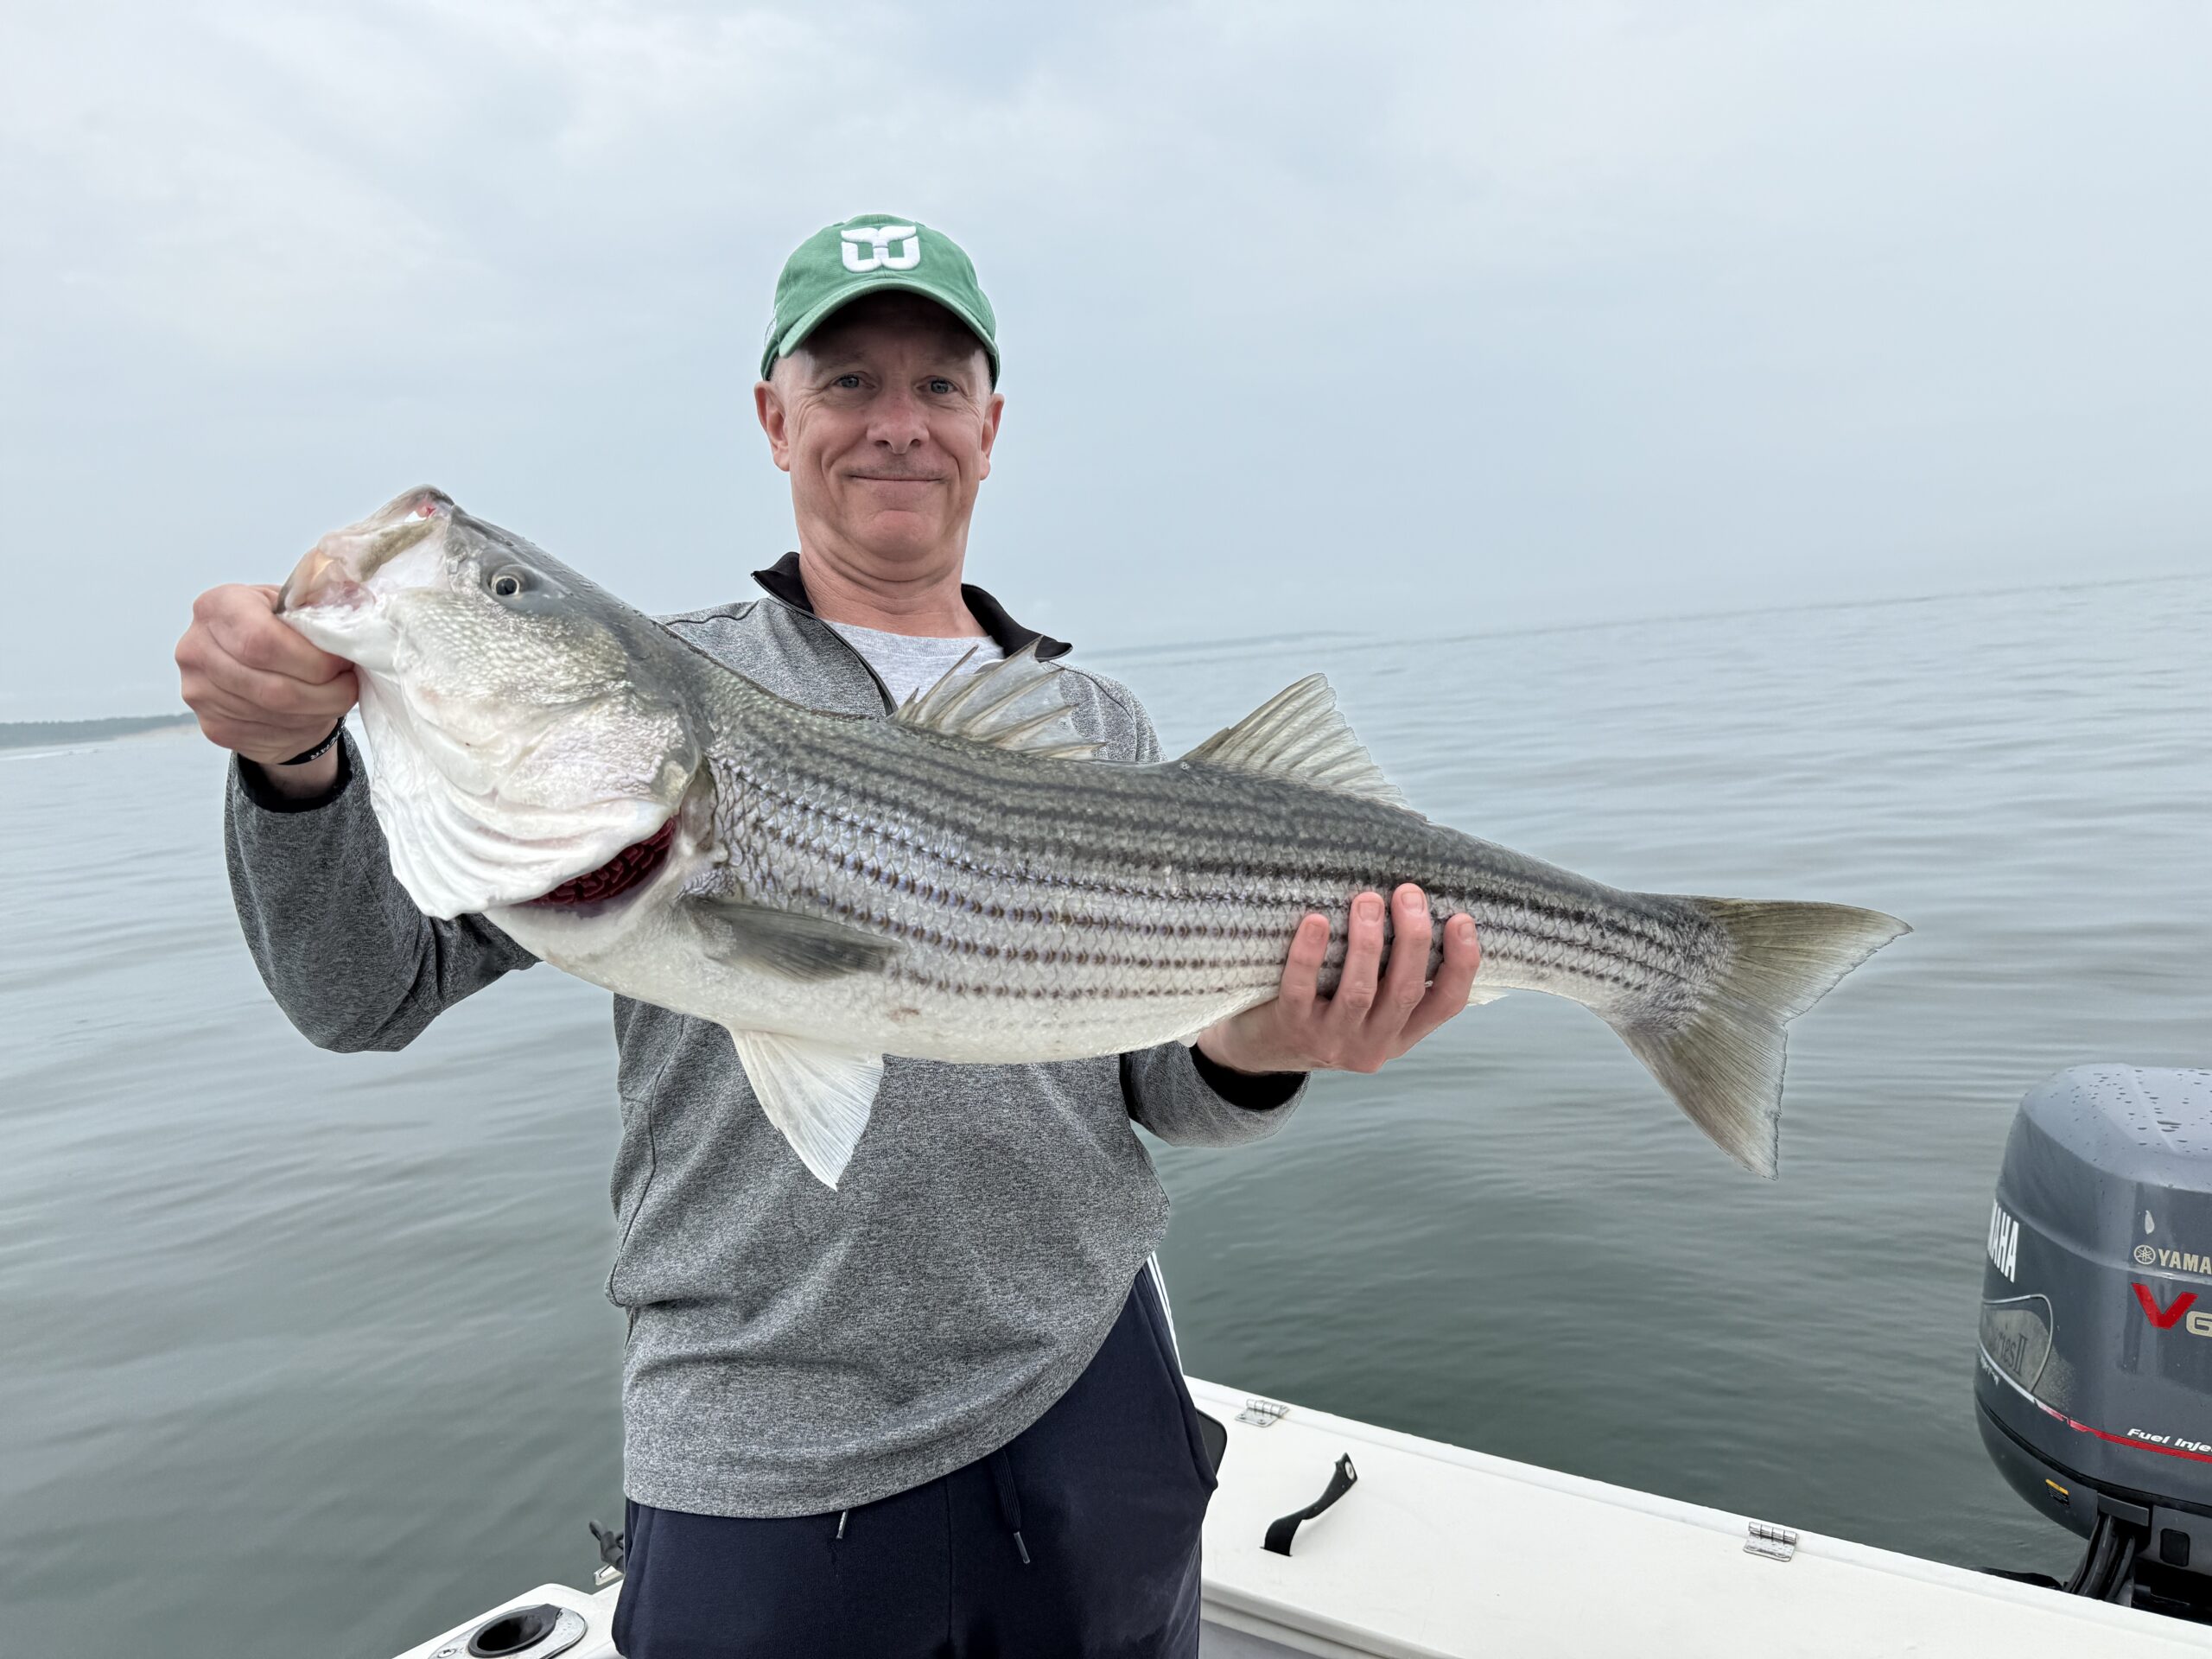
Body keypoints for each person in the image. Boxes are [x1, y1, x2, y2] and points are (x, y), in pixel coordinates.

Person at [176, 213, 1481, 1657]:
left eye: (938, 385)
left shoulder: (1091, 723)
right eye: (849, 381)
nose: (896, 423)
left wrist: (1266, 1047)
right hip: (762, 1441)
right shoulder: (670, 694)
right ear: (775, 420)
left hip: (1090, 1391)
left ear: (990, 428)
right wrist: (290, 766)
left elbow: (1159, 1091)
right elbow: (360, 994)